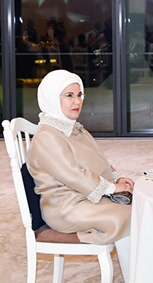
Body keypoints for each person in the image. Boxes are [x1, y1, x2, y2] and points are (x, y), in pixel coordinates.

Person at [26, 70, 133, 280]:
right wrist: (112, 188)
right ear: (51, 98)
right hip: (66, 207)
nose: (77, 101)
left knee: (139, 207)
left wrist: (117, 178)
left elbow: (97, 161)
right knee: (127, 216)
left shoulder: (73, 128)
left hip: (85, 197)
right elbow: (73, 174)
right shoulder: (47, 136)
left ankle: (139, 271)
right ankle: (136, 276)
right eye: (69, 95)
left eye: (79, 95)